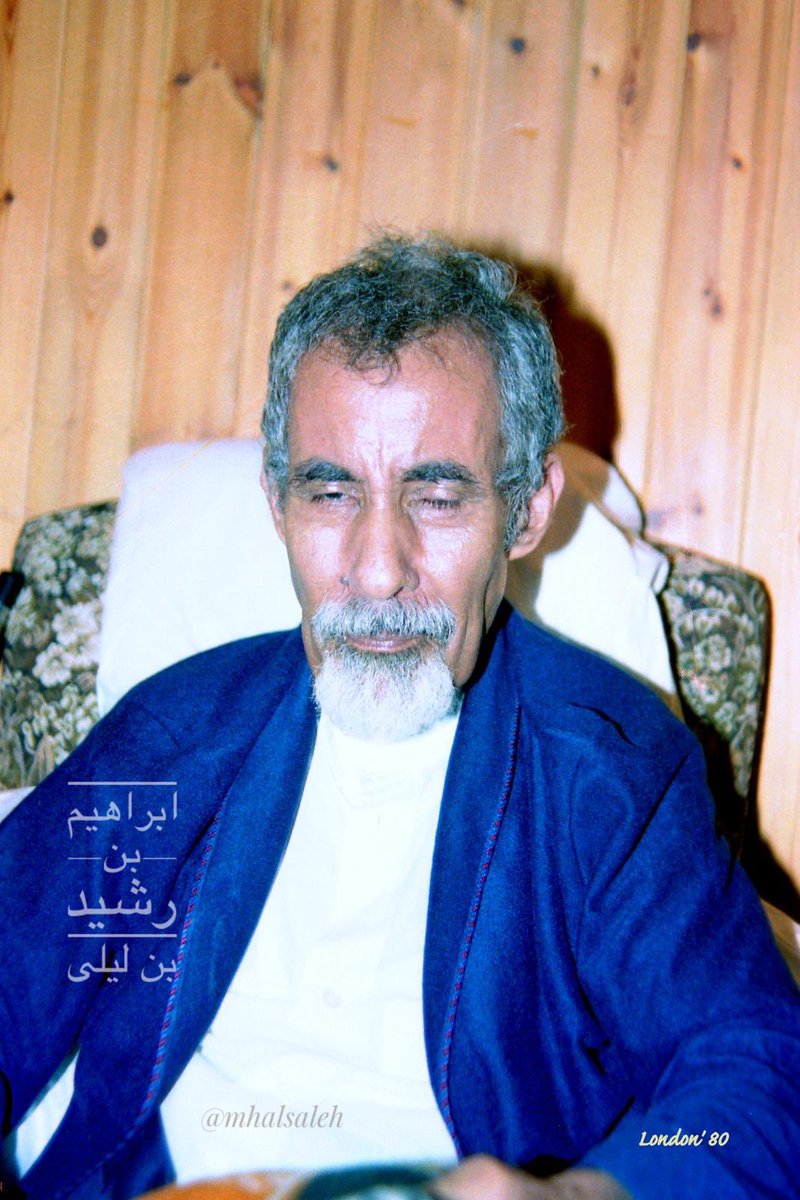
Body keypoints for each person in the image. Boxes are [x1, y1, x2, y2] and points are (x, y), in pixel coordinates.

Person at [1, 236, 798, 1200]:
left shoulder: (613, 776)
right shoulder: (171, 734)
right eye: (331, 492)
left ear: (528, 510)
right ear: (276, 503)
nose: (379, 571)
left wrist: (579, 1196)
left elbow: (749, 1086)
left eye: (439, 495)